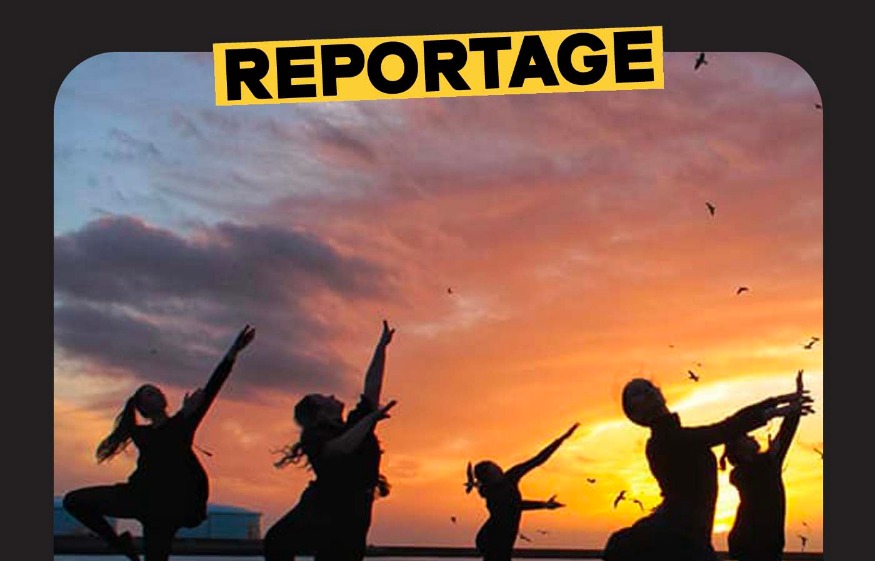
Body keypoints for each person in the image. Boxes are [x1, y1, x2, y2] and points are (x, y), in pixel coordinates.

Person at [63, 325, 256, 561]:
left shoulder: (183, 423)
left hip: (168, 507)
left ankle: (125, 544)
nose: (158, 394)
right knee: (73, 501)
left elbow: (212, 388)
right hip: (138, 496)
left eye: (157, 391)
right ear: (143, 408)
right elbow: (148, 437)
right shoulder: (143, 433)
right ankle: (119, 543)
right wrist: (184, 414)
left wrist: (232, 353)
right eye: (150, 394)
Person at [603, 378, 813, 561]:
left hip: (694, 535)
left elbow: (726, 427)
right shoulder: (663, 441)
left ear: (660, 392)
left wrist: (779, 403)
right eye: (637, 393)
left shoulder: (682, 436)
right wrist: (775, 408)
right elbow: (724, 429)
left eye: (648, 386)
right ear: (636, 415)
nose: (647, 391)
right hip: (678, 534)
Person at [263, 320, 396, 561]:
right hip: (322, 508)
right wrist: (370, 421)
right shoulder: (314, 437)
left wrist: (381, 348)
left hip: (355, 511)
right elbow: (341, 448)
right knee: (276, 543)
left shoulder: (354, 424)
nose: (332, 395)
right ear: (321, 414)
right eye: (325, 398)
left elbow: (372, 387)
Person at [722, 371, 811, 561]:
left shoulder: (763, 465)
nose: (752, 436)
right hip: (753, 546)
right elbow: (783, 437)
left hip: (762, 546)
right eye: (745, 437)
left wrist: (793, 409)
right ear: (739, 450)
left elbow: (784, 436)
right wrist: (792, 409)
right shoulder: (748, 472)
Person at [468, 422, 579, 561]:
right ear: (489, 477)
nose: (499, 468)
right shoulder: (494, 496)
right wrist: (543, 505)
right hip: (493, 538)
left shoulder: (511, 476)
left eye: (496, 466)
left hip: (503, 536)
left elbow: (537, 460)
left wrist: (561, 439)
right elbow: (517, 506)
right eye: (494, 469)